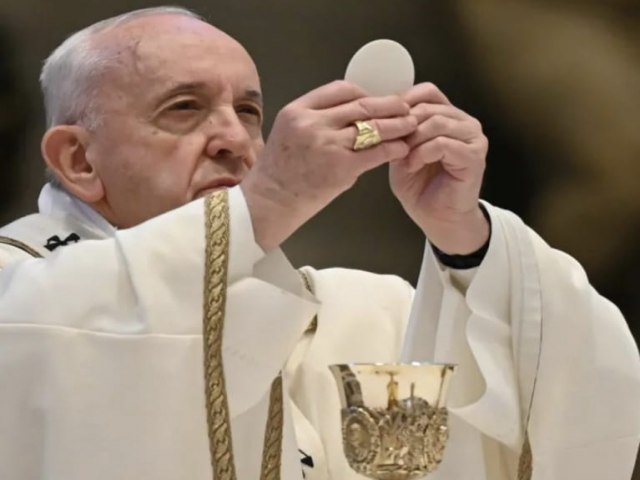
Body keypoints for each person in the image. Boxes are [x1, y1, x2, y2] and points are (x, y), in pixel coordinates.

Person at [0, 6, 638, 480]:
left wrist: (464, 237)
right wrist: (273, 197)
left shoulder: (365, 312)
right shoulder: (20, 282)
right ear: (79, 159)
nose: (236, 140)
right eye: (184, 108)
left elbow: (578, 385)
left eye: (248, 112)